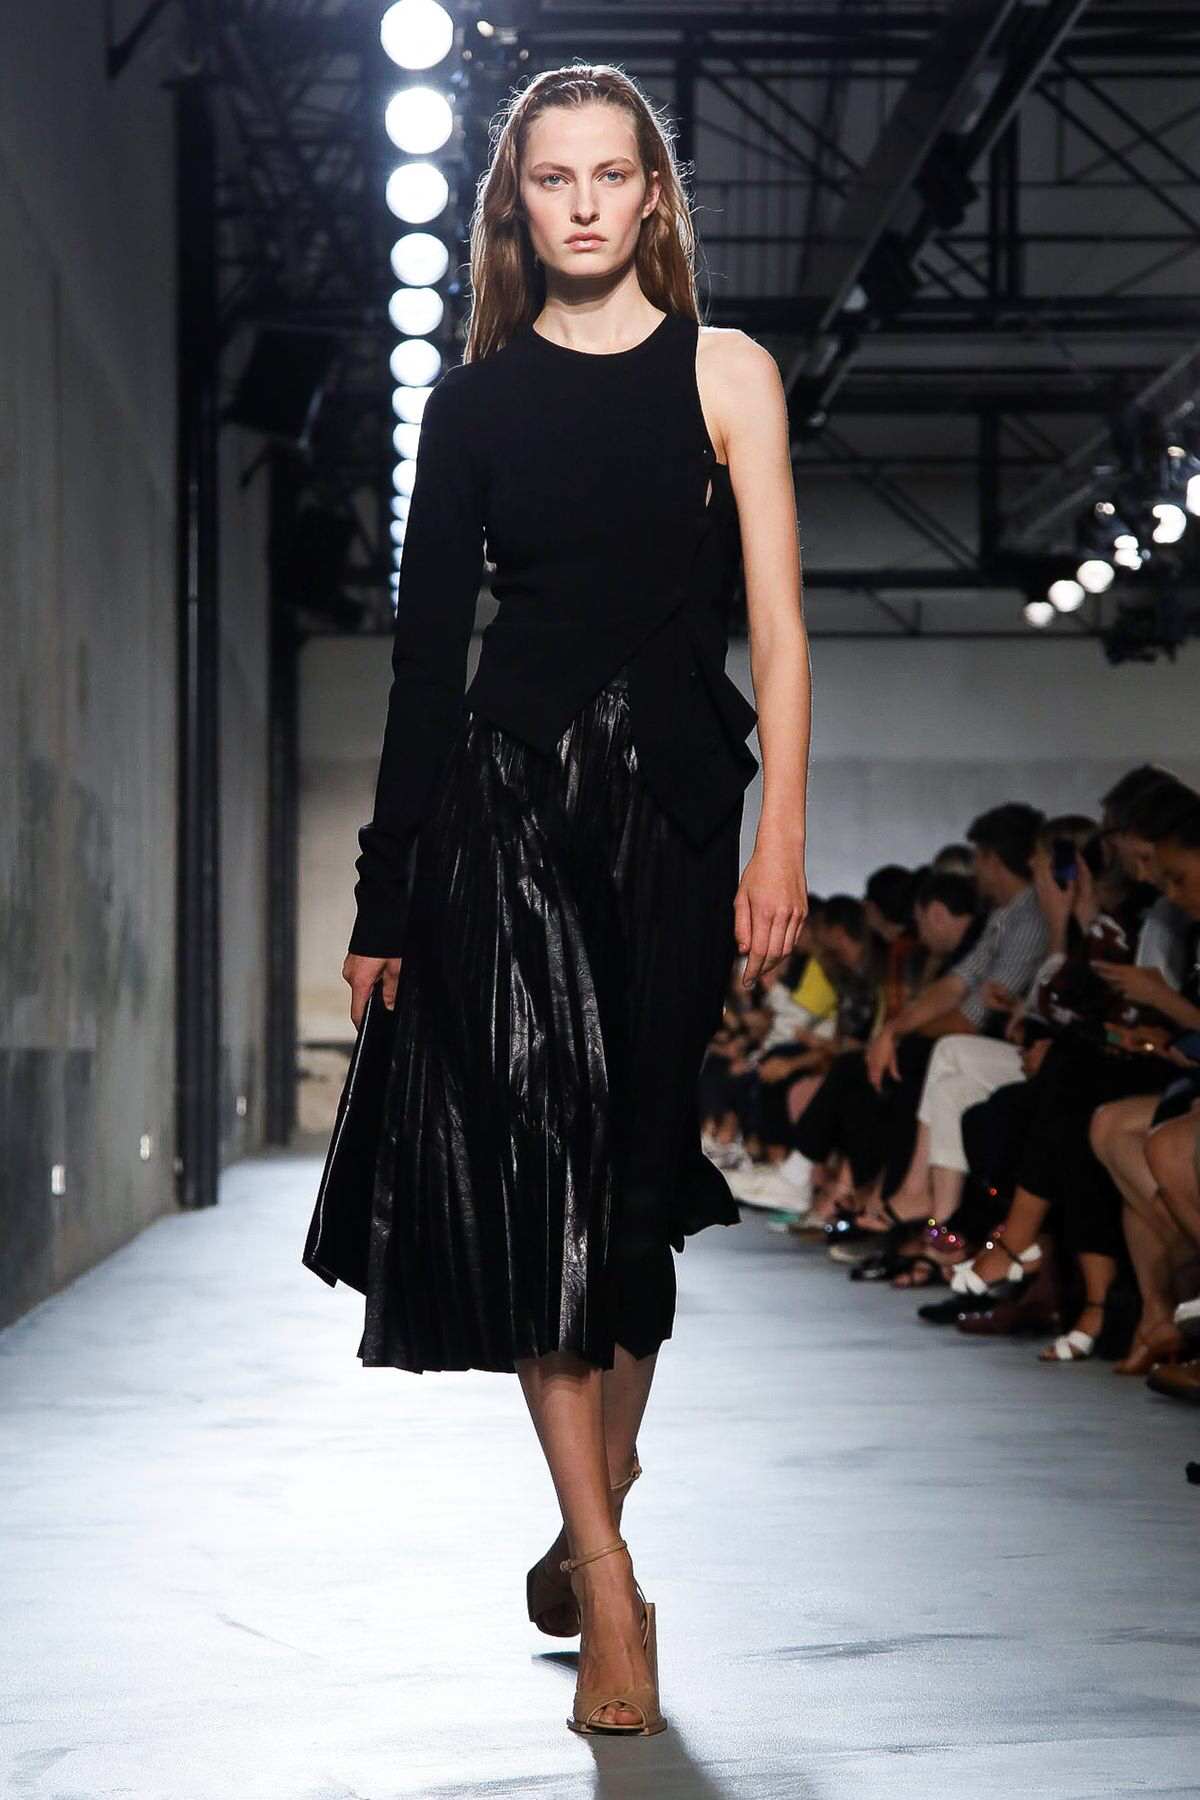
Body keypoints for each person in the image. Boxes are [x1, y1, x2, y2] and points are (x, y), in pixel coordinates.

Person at [328, 67, 811, 1738]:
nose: (586, 204)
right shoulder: (472, 408)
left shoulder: (728, 373)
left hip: (678, 806)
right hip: (509, 805)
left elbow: (780, 629)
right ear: (517, 204)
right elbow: (421, 668)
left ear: (654, 196)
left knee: (634, 1182)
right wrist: (388, 898)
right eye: (555, 179)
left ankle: (600, 1483)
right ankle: (608, 1582)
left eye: (614, 175)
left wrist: (780, 839)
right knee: (543, 1175)